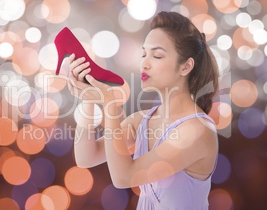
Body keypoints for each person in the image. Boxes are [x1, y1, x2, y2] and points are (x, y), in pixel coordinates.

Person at [66, 11, 219, 210]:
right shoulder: (142, 121)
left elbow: (123, 177)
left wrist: (110, 105)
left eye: (156, 55)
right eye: (143, 54)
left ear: (186, 66)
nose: (144, 64)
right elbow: (86, 157)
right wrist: (88, 100)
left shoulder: (197, 130)